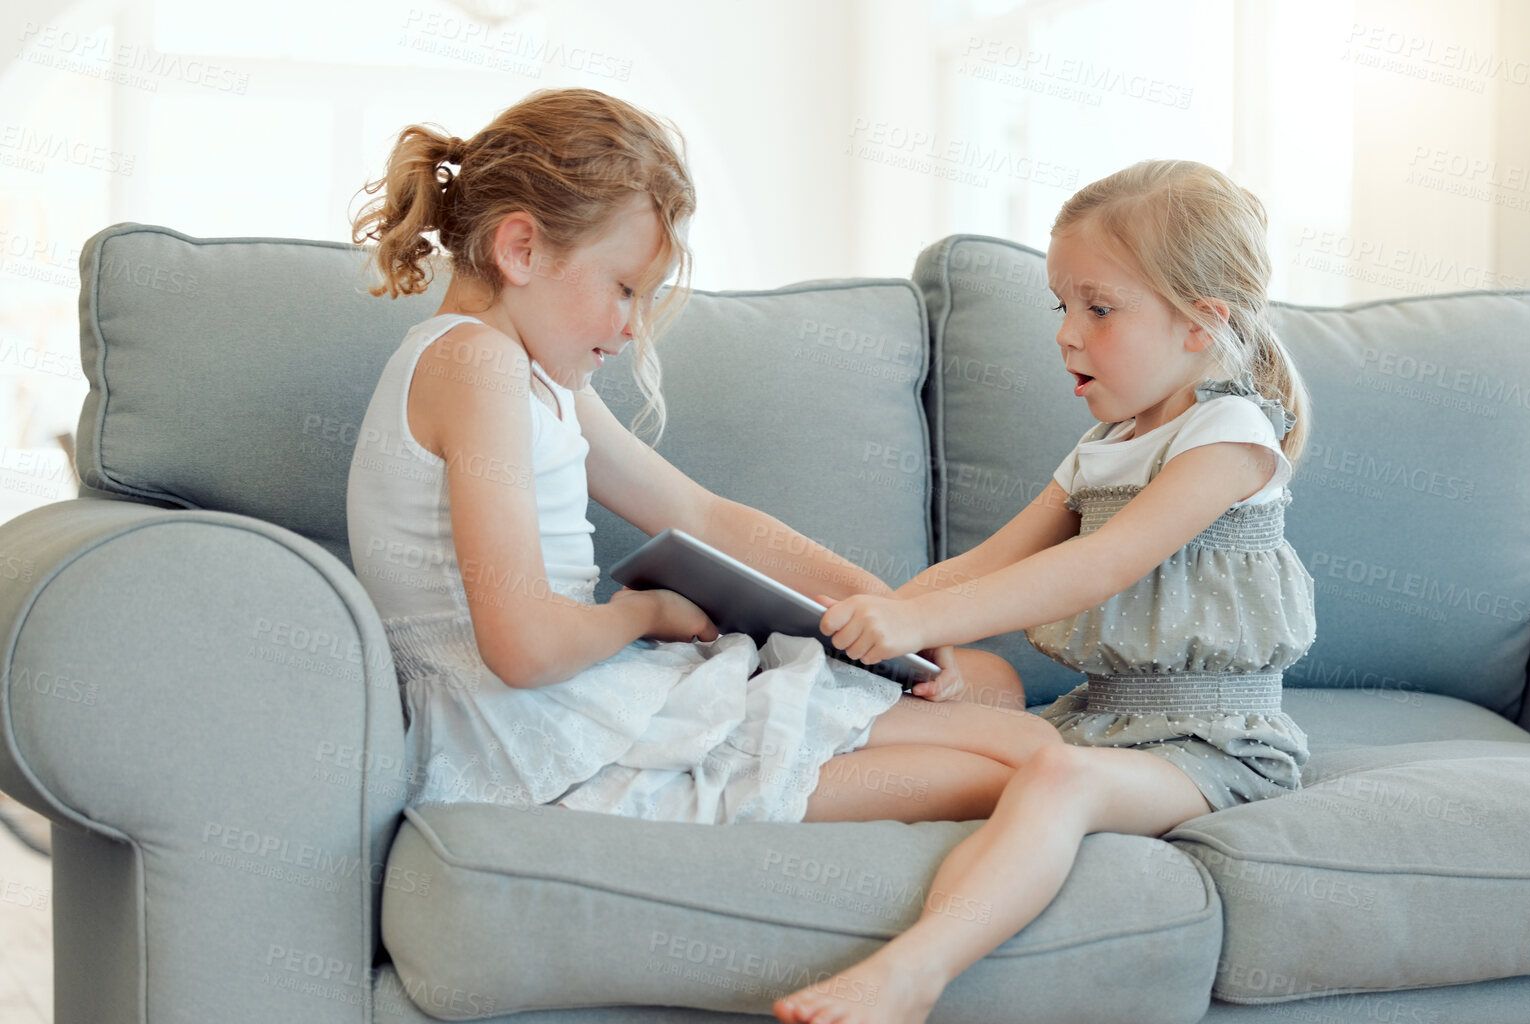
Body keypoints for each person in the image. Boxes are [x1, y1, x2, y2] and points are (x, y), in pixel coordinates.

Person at [345, 87, 1060, 829]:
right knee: (1028, 754)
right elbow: (524, 649)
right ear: (520, 249)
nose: (629, 328)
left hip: (575, 706)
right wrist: (647, 611)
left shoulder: (529, 374)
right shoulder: (476, 366)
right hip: (534, 742)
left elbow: (699, 514)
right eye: (624, 288)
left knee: (995, 686)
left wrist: (893, 610)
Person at [772, 159, 1317, 1024]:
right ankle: (712, 774)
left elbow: (1096, 567)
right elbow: (986, 563)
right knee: (948, 691)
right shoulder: (1105, 443)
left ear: (1199, 323)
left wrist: (917, 623)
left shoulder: (1230, 436)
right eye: (1060, 307)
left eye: (1097, 308)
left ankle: (912, 973)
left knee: (1054, 778)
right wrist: (836, 625)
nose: (1067, 335)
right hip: (1098, 720)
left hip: (1212, 747)